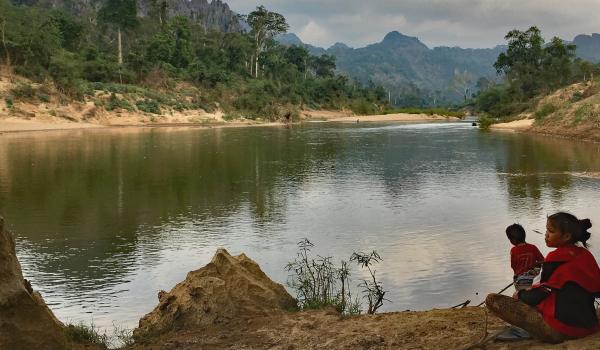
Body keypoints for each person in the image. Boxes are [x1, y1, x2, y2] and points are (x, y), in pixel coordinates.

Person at [487, 212, 600, 343]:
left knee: (492, 299)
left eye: (550, 231)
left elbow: (538, 295)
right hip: (589, 327)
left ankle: (526, 331)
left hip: (560, 330)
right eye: (546, 230)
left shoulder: (554, 258)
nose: (546, 234)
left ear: (566, 236)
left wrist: (520, 295)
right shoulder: (586, 255)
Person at [506, 223, 544, 290]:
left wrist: (518, 274)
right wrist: (535, 266)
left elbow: (513, 266)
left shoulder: (513, 250)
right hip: (534, 278)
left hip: (520, 281)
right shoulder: (533, 247)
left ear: (513, 240)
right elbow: (543, 261)